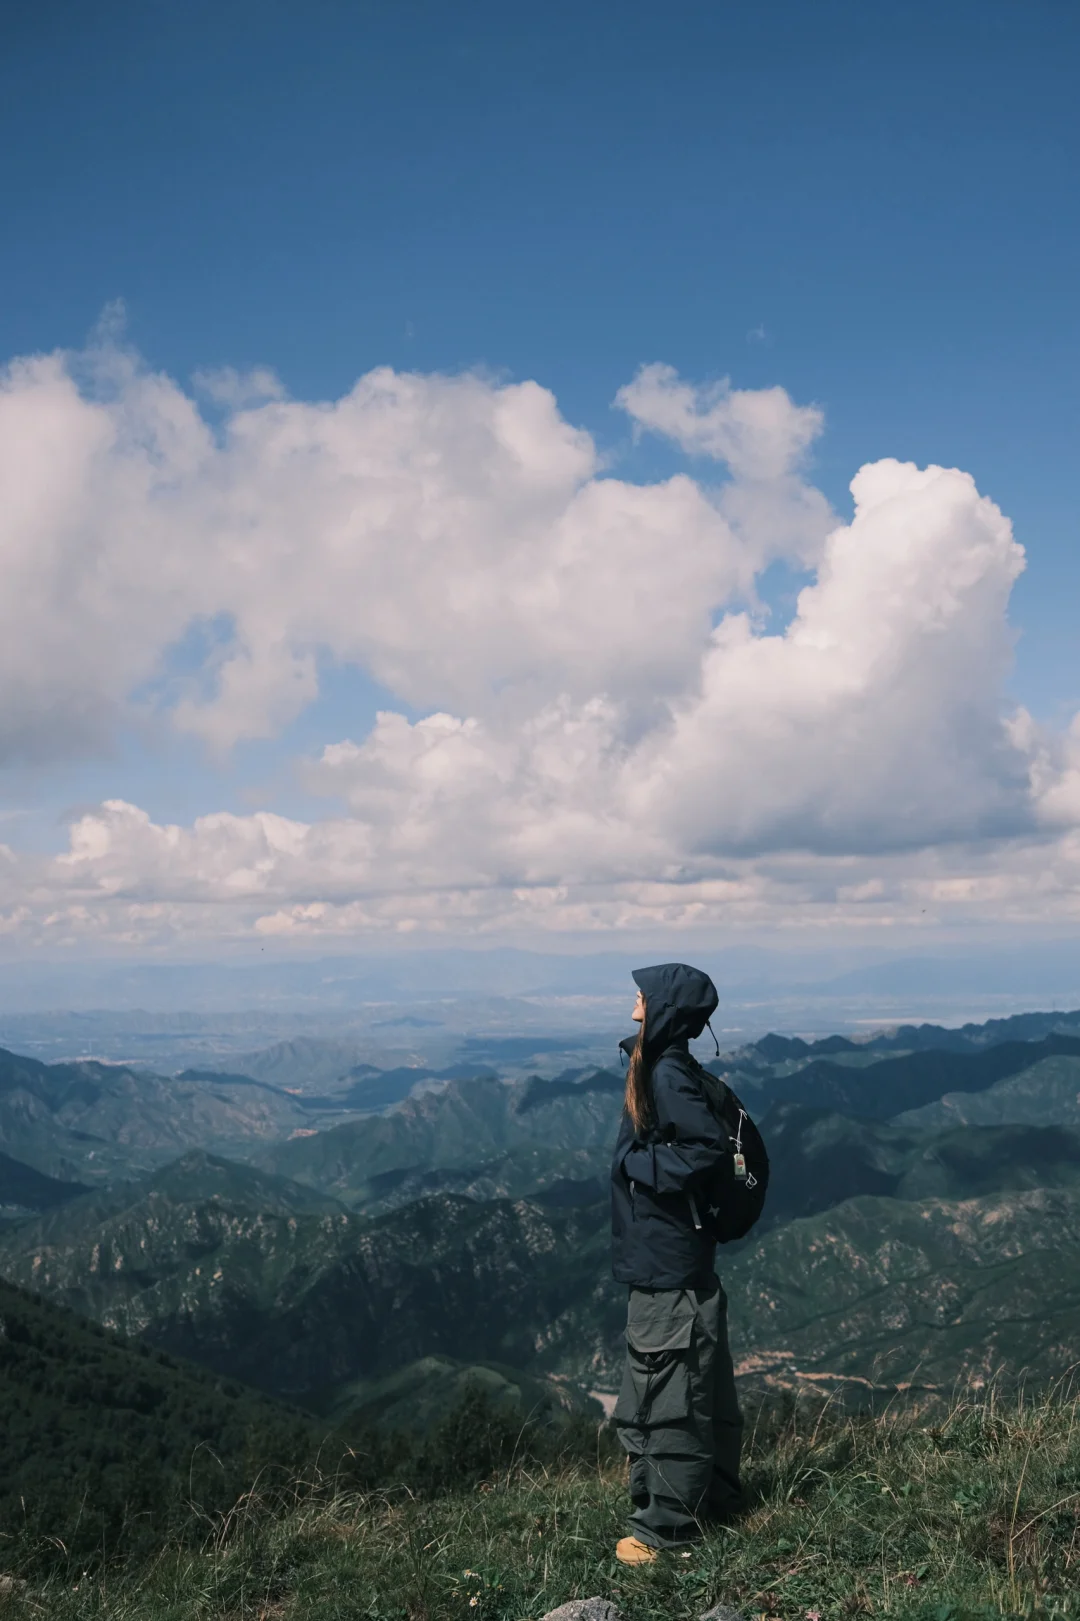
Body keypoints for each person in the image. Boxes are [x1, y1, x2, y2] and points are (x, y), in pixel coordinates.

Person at [610, 962, 743, 1565]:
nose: (635, 998)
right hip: (677, 1257)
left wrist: (637, 1167)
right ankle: (715, 1501)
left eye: (645, 992)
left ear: (662, 1008)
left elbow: (704, 1148)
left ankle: (665, 1532)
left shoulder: (665, 1075)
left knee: (666, 1396)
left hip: (668, 1262)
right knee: (698, 1385)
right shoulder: (670, 1067)